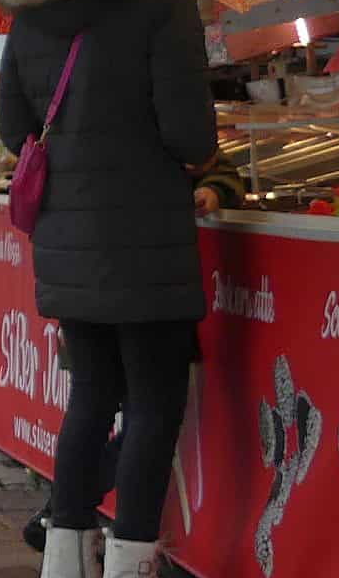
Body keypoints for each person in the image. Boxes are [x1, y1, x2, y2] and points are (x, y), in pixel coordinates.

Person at [0, 0, 223, 578]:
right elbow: (190, 130)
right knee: (155, 399)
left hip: (67, 235)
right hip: (145, 233)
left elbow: (15, 126)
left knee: (90, 397)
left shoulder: (31, 2)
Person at [19, 151, 248, 553]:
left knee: (95, 405)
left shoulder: (69, 135)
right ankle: (127, 560)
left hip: (78, 274)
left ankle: (65, 538)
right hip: (143, 279)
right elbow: (198, 144)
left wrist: (212, 188)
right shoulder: (146, 128)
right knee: (148, 413)